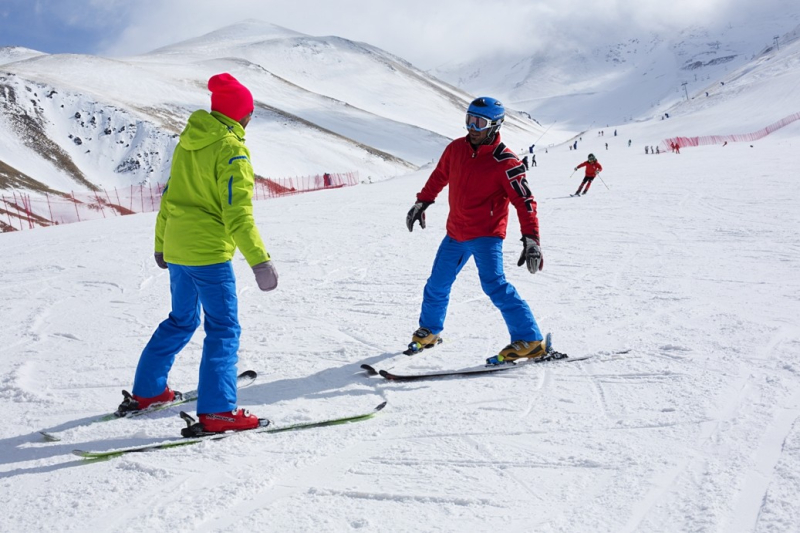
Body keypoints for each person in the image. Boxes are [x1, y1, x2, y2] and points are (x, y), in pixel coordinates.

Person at [117, 73, 278, 434]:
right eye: (249, 114)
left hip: (178, 248)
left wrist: (161, 243)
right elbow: (238, 212)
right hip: (208, 253)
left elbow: (170, 197)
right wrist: (260, 260)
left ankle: (148, 392)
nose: (250, 119)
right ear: (241, 115)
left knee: (181, 320)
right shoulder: (231, 150)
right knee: (223, 328)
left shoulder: (188, 142)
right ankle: (219, 411)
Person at [405, 96, 546, 364]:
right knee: (437, 283)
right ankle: (430, 331)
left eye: (479, 123)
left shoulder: (506, 162)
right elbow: (439, 176)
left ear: (494, 125)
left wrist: (531, 239)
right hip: (456, 232)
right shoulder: (456, 148)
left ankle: (530, 339)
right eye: (469, 120)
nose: (472, 127)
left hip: (486, 235)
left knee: (495, 286)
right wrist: (422, 201)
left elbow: (525, 202)